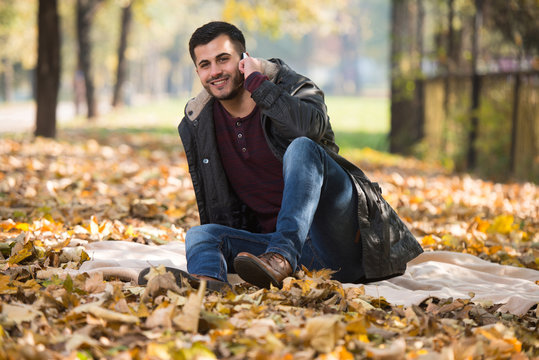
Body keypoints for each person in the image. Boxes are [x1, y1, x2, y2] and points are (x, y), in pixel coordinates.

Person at [140, 21, 423, 291]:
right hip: (280, 256)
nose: (215, 71)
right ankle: (206, 283)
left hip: (340, 243)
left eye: (223, 59)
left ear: (244, 59)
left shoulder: (292, 87)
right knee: (200, 235)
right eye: (205, 65)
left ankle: (282, 256)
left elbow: (308, 130)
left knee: (301, 147)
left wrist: (259, 82)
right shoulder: (199, 122)